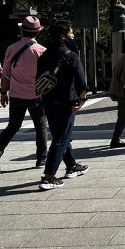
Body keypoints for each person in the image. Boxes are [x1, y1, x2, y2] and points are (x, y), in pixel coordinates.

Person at [36, 21, 89, 190]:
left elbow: (38, 78)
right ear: (63, 36)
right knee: (61, 138)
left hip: (48, 100)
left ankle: (71, 165)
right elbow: (81, 82)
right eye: (71, 33)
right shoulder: (70, 55)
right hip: (66, 102)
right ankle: (49, 176)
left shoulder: (44, 55)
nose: (73, 36)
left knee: (60, 134)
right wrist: (82, 100)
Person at [0, 16, 47, 172]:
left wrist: (3, 93)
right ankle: (41, 158)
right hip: (36, 94)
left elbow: (6, 74)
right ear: (37, 32)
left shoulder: (11, 49)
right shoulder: (41, 51)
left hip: (16, 94)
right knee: (40, 126)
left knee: (13, 126)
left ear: (22, 29)